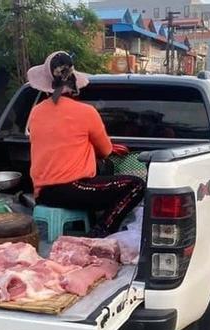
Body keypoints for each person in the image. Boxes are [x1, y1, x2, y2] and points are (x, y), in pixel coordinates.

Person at [27, 51, 145, 238]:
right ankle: (100, 232)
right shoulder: (86, 112)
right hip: (73, 190)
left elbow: (57, 141)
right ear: (74, 82)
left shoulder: (36, 112)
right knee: (136, 185)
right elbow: (106, 151)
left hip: (43, 194)